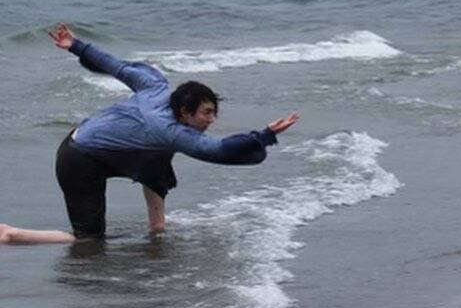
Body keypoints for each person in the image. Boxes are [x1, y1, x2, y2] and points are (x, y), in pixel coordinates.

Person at [0, 24, 299, 244]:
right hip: (78, 160)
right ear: (184, 110)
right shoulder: (169, 131)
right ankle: (13, 235)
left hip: (91, 143)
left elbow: (115, 66)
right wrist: (264, 136)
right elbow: (219, 150)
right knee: (88, 239)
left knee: (158, 162)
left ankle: (157, 227)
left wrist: (76, 45)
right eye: (206, 113)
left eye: (213, 111)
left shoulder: (155, 86)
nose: (212, 119)